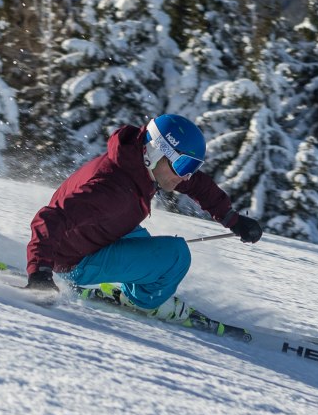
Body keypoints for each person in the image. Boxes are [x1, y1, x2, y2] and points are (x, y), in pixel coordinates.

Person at [24, 114, 263, 319]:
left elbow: (198, 185)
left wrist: (232, 219)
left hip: (93, 237)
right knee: (174, 257)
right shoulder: (112, 189)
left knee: (150, 248)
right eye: (183, 166)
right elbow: (50, 218)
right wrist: (40, 272)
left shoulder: (137, 166)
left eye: (193, 167)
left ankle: (139, 286)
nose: (187, 176)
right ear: (156, 150)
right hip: (74, 261)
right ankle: (142, 302)